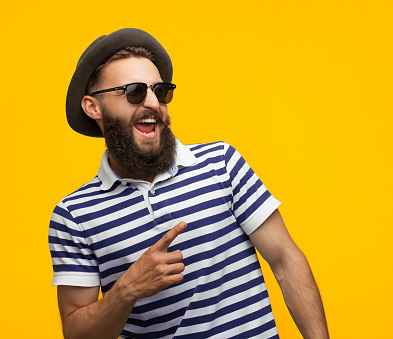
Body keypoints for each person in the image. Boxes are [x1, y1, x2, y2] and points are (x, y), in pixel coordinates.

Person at [49, 28, 329, 339]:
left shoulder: (221, 163)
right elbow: (76, 332)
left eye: (160, 91)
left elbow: (285, 260)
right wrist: (126, 291)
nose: (154, 103)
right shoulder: (73, 216)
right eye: (134, 92)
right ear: (93, 107)